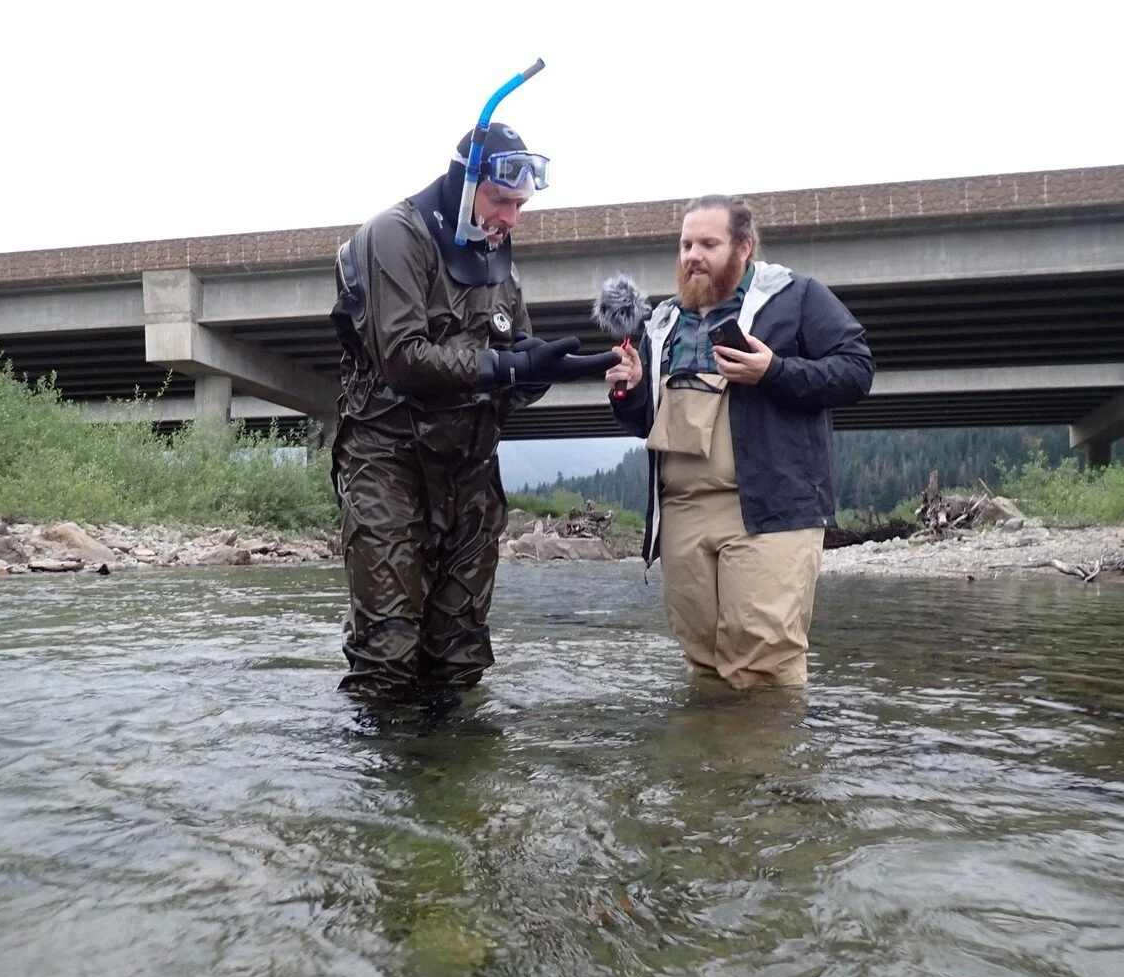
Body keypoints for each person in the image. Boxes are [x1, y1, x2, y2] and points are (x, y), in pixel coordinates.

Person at [328, 123, 615, 702]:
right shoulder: (396, 235)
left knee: (457, 656)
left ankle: (450, 782)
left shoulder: (497, 261)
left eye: (519, 205)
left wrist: (541, 372)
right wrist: (505, 367)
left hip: (471, 473)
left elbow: (511, 370)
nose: (511, 218)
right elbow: (404, 360)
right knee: (387, 655)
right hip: (389, 463)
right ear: (466, 184)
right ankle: (372, 783)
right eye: (501, 200)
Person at [604, 194, 875, 690]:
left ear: (744, 248)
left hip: (769, 510)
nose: (693, 255)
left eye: (708, 243)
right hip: (682, 513)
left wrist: (774, 370)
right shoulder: (663, 322)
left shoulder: (796, 296)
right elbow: (647, 422)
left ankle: (763, 769)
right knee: (702, 663)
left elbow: (857, 371)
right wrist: (632, 390)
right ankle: (708, 768)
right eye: (686, 244)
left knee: (761, 665)